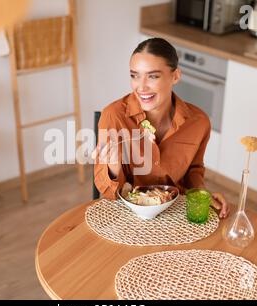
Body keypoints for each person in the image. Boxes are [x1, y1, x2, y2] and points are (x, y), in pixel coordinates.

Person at [92, 37, 230, 219]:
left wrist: (202, 194)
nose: (141, 87)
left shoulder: (199, 122)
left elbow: (194, 170)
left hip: (177, 212)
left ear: (175, 76)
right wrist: (113, 168)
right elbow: (108, 194)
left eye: (153, 76)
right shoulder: (113, 116)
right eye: (134, 75)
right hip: (129, 215)